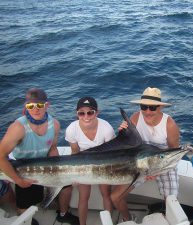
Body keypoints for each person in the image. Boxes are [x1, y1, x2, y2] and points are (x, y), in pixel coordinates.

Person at [0, 88, 79, 225]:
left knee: (67, 186)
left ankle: (62, 213)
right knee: (25, 204)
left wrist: (61, 173)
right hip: (23, 170)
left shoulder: (54, 124)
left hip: (45, 166)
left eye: (40, 105)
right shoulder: (18, 127)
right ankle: (25, 221)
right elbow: (1, 156)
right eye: (31, 106)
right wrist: (18, 180)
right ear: (26, 106)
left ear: (47, 105)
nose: (35, 109)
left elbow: (53, 149)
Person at [114, 87, 180, 221]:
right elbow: (126, 146)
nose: (147, 111)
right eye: (144, 107)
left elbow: (174, 154)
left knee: (171, 200)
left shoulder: (169, 125)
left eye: (152, 108)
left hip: (164, 163)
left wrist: (156, 171)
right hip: (139, 164)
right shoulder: (135, 118)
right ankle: (128, 220)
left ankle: (167, 220)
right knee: (115, 197)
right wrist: (121, 133)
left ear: (160, 108)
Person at [65, 96, 115, 225]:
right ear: (77, 114)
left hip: (103, 166)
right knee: (83, 197)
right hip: (83, 167)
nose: (86, 116)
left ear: (97, 112)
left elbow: (112, 154)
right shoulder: (71, 129)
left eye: (90, 112)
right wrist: (74, 175)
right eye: (81, 113)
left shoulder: (106, 128)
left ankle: (108, 222)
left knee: (106, 194)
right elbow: (75, 153)